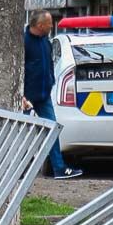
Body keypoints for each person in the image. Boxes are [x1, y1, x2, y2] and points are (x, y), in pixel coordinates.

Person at [23, 9, 82, 179]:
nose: (52, 26)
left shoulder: (45, 42)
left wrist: (50, 82)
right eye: (49, 23)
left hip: (43, 95)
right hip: (27, 97)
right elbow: (19, 69)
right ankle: (20, 169)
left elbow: (48, 65)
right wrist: (22, 96)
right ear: (40, 25)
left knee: (52, 129)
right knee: (23, 133)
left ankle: (59, 168)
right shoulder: (24, 42)